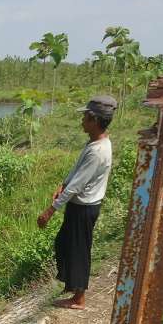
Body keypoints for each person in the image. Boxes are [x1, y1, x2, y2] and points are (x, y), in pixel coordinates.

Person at [37, 95, 117, 310]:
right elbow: (76, 172)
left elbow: (77, 186)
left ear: (94, 120)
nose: (81, 121)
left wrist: (49, 211)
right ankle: (72, 285)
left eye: (85, 117)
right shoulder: (94, 143)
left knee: (79, 251)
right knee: (64, 243)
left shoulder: (98, 151)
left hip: (84, 207)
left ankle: (79, 298)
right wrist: (62, 184)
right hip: (80, 205)